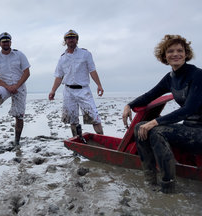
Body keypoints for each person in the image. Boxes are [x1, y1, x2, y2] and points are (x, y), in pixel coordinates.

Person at [122, 35, 202, 193]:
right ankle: (150, 180)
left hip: (199, 132)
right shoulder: (170, 78)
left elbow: (189, 109)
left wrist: (154, 122)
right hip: (188, 128)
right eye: (170, 51)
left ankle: (168, 186)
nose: (175, 54)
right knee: (139, 127)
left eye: (180, 50)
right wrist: (129, 105)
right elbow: (150, 95)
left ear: (186, 54)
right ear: (164, 56)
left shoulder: (197, 75)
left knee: (157, 131)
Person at [49, 29, 104, 137]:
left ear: (77, 40)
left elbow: (92, 70)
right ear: (65, 41)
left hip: (83, 90)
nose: (71, 40)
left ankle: (103, 139)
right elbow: (59, 77)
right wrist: (53, 91)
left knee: (94, 117)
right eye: (68, 38)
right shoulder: (62, 58)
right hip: (68, 91)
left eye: (73, 37)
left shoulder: (85, 54)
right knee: (72, 119)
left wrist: (99, 85)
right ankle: (77, 140)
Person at [0, 32, 31, 146]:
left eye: (7, 41)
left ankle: (16, 142)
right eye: (3, 41)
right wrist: (8, 87)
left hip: (20, 87)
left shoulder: (19, 55)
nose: (6, 43)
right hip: (5, 86)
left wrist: (16, 86)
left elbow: (27, 73)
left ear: (10, 42)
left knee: (19, 116)